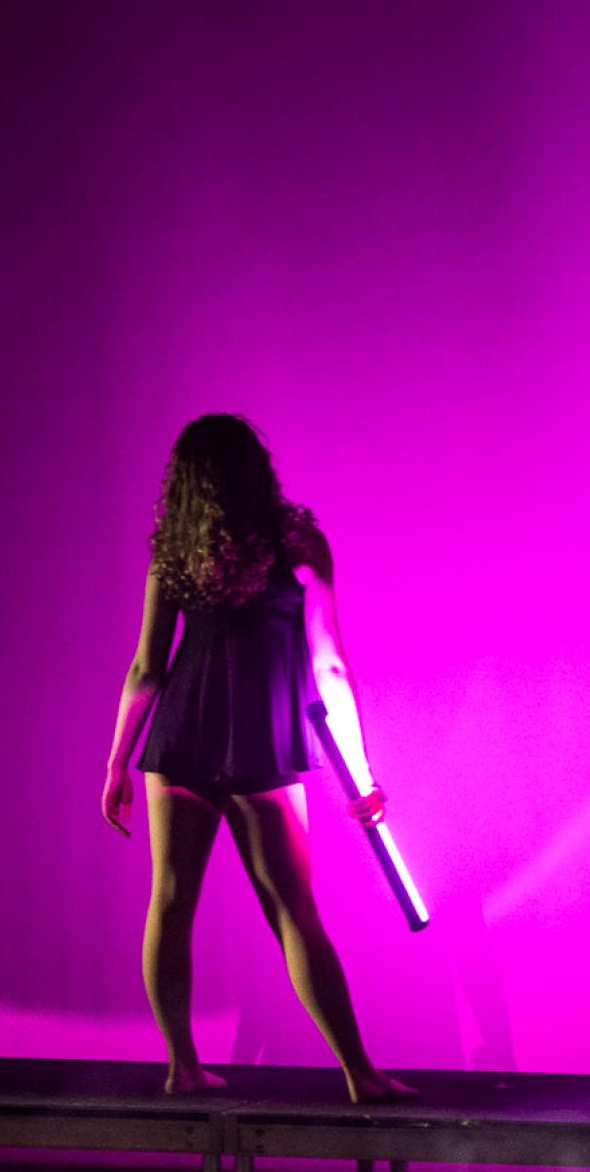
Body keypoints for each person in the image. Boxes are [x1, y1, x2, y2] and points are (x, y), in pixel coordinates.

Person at [100, 412, 418, 1103]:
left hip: (183, 735)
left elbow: (147, 666)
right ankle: (358, 1073)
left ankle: (182, 1067)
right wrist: (362, 772)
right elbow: (330, 661)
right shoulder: (297, 541)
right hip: (259, 739)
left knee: (171, 902)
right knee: (295, 912)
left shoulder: (173, 551)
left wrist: (117, 762)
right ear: (257, 470)